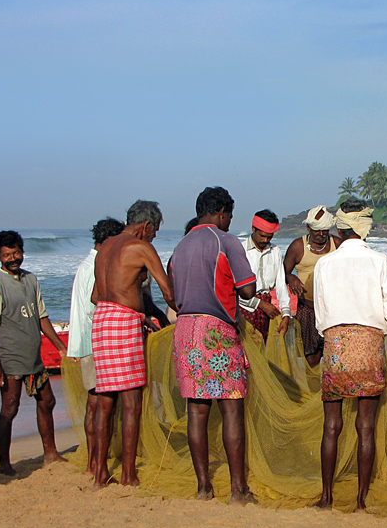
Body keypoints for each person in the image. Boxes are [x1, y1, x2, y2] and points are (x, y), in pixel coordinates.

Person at [312, 201, 387, 511]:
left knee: (331, 425)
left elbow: (320, 315)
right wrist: (377, 329)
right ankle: (361, 501)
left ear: (339, 229)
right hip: (370, 343)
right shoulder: (380, 261)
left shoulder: (325, 264)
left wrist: (337, 335)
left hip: (335, 343)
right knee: (366, 426)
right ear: (365, 228)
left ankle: (326, 497)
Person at [169, 186, 258, 504]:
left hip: (185, 330)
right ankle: (238, 490)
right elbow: (247, 290)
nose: (230, 222)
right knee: (232, 406)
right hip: (216, 329)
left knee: (197, 409)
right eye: (229, 216)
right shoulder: (226, 241)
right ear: (221, 212)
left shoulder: (179, 247)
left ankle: (204, 487)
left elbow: (170, 288)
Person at [91, 200, 176, 489]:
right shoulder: (141, 247)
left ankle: (100, 472)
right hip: (124, 320)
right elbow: (167, 291)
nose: (154, 237)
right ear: (146, 226)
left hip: (101, 319)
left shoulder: (104, 248)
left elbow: (94, 296)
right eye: (155, 231)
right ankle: (128, 474)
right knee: (131, 402)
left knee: (105, 401)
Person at [0, 230, 68, 476]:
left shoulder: (31, 280)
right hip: (10, 359)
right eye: (7, 254)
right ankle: (4, 464)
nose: (13, 258)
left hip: (34, 358)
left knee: (47, 401)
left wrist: (59, 346)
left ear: (22, 252)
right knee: (10, 408)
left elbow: (41, 317)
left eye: (16, 253)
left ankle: (50, 453)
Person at [67, 217, 124, 476]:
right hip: (94, 342)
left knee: (95, 404)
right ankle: (94, 463)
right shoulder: (96, 266)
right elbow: (96, 305)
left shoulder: (86, 264)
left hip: (84, 342)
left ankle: (93, 461)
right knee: (99, 405)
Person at [283, 205, 342, 367]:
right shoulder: (298, 246)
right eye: (317, 230)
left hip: (333, 310)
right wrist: (291, 277)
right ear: (308, 227)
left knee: (335, 352)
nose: (321, 234)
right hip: (308, 309)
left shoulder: (337, 244)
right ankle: (314, 390)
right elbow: (282, 273)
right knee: (311, 356)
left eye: (325, 230)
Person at [238, 209, 292, 343]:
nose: (265, 240)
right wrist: (260, 304)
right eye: (262, 235)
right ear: (253, 229)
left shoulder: (275, 251)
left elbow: (281, 285)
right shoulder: (240, 250)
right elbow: (234, 289)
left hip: (267, 309)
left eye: (269, 237)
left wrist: (286, 313)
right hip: (244, 308)